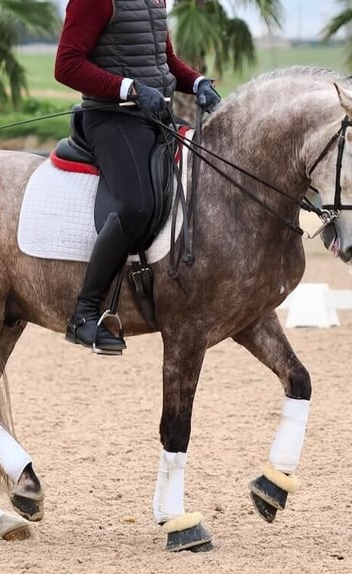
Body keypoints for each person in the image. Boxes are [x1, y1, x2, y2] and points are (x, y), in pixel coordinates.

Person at [54, 0, 221, 355]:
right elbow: (66, 66)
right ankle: (84, 314)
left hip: (154, 117)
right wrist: (128, 88)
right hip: (110, 119)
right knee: (136, 204)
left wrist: (197, 82)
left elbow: (162, 62)